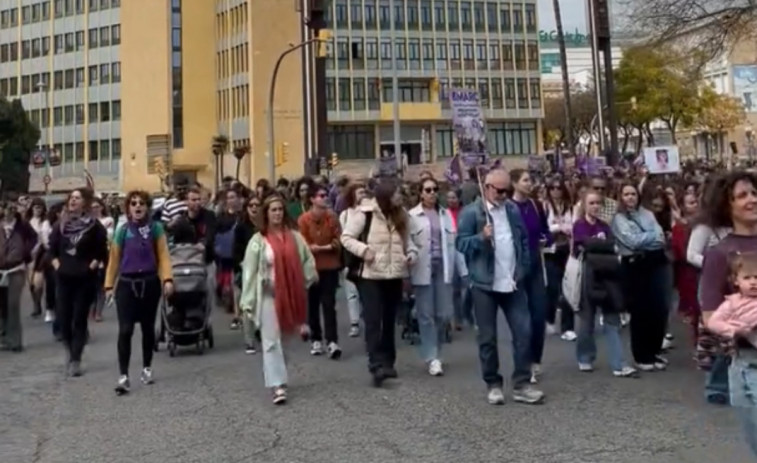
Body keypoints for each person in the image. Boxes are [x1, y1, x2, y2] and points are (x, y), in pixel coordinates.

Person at [456, 169, 544, 405]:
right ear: (486, 187)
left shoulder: (512, 210)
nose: (504, 195)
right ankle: (493, 383)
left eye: (507, 190)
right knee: (487, 337)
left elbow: (523, 240)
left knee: (524, 332)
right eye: (499, 190)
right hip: (484, 284)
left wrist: (522, 268)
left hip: (512, 281)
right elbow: (460, 244)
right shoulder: (471, 213)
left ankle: (522, 383)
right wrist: (479, 238)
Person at [240, 195, 317, 404]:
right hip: (268, 295)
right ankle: (277, 385)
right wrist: (248, 300)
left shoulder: (295, 237)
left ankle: (279, 373)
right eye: (273, 210)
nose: (277, 213)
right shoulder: (258, 241)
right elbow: (249, 270)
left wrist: (306, 281)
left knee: (286, 340)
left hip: (291, 294)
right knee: (271, 341)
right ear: (266, 214)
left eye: (280, 210)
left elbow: (307, 260)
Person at [341, 180, 419, 387]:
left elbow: (407, 241)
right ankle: (376, 364)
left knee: (389, 319)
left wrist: (411, 253)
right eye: (396, 194)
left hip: (394, 274)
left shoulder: (401, 215)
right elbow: (347, 237)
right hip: (371, 275)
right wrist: (364, 250)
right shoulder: (365, 214)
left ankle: (388, 361)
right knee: (374, 319)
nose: (400, 198)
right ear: (385, 196)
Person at [105, 190, 174, 395]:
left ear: (147, 207)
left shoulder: (156, 228)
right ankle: (124, 375)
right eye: (133, 203)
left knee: (147, 328)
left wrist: (167, 279)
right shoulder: (122, 230)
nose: (137, 207)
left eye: (141, 203)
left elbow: (163, 255)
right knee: (125, 329)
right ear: (128, 208)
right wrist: (109, 285)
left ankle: (146, 367)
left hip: (150, 282)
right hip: (126, 284)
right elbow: (114, 259)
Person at [700, 171, 757, 404]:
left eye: (754, 193)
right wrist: (745, 324)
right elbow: (710, 316)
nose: (752, 199)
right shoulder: (719, 254)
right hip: (750, 363)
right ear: (727, 206)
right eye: (742, 195)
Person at [573, 192, 637, 378]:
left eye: (598, 203)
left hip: (608, 276)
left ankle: (619, 363)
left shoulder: (604, 226)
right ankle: (585, 357)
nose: (595, 206)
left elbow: (609, 244)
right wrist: (601, 245)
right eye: (591, 203)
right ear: (584, 205)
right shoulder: (580, 225)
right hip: (588, 275)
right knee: (587, 320)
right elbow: (583, 244)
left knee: (612, 320)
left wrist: (597, 245)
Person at [49, 188, 109, 377]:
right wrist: (57, 265)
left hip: (84, 279)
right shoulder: (61, 225)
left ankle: (76, 359)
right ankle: (69, 349)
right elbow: (52, 250)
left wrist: (91, 266)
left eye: (77, 198)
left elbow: (102, 251)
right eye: (72, 198)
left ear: (84, 203)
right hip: (64, 278)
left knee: (79, 318)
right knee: (64, 319)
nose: (73, 201)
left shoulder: (94, 226)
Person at [611, 182, 668, 372]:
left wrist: (648, 237)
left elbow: (661, 237)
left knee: (659, 308)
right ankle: (642, 355)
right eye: (626, 194)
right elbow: (631, 242)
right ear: (620, 196)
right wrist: (650, 236)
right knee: (641, 310)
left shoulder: (648, 214)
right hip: (635, 265)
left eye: (633, 194)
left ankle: (654, 351)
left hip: (656, 261)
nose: (630, 197)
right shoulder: (619, 218)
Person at [707, 252, 757, 457]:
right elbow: (713, 322)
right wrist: (735, 329)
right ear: (735, 281)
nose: (754, 282)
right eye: (747, 277)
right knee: (748, 419)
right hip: (739, 362)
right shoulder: (732, 303)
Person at [408, 177, 458, 376]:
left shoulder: (445, 214)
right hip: (422, 268)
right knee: (425, 314)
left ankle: (438, 350)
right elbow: (408, 242)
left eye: (435, 189)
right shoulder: (412, 216)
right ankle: (432, 356)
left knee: (443, 313)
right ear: (420, 193)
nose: (432, 193)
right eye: (427, 190)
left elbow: (454, 242)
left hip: (443, 267)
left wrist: (460, 271)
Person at [509, 169, 552, 383]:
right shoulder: (508, 208)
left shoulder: (537, 206)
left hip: (536, 264)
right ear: (515, 184)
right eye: (525, 180)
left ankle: (536, 359)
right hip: (516, 266)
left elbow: (546, 231)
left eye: (530, 180)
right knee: (521, 319)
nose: (529, 184)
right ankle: (524, 364)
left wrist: (546, 239)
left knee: (538, 315)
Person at [298, 184, 344, 359]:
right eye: (321, 195)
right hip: (311, 268)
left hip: (330, 266)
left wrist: (323, 247)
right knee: (313, 304)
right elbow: (303, 243)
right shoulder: (304, 220)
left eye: (326, 195)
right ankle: (316, 339)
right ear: (312, 199)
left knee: (329, 304)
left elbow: (339, 240)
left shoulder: (332, 218)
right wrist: (312, 248)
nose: (325, 197)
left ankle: (332, 341)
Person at [0, 199, 38, 352]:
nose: (8, 211)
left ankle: (15, 341)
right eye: (4, 207)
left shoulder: (22, 225)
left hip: (16, 269)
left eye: (10, 208)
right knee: (1, 305)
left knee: (13, 304)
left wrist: (25, 252)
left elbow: (34, 239)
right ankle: (4, 336)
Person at [543, 178, 576, 341]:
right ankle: (548, 317)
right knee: (553, 288)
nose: (556, 191)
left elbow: (575, 224)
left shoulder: (569, 206)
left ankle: (568, 327)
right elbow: (544, 228)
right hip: (551, 250)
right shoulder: (545, 206)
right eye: (552, 188)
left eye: (559, 187)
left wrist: (569, 229)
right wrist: (558, 228)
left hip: (567, 250)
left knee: (568, 288)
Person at [233, 193, 261, 354]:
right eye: (251, 206)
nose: (254, 208)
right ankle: (249, 341)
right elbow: (236, 250)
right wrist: (242, 264)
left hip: (264, 270)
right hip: (247, 270)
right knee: (248, 305)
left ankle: (261, 331)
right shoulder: (241, 227)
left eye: (257, 205)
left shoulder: (266, 225)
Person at [339, 182, 367, 338]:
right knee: (351, 292)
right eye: (359, 192)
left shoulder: (370, 212)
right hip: (351, 257)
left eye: (364, 192)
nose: (362, 195)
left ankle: (367, 317)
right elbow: (345, 239)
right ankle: (354, 322)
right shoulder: (345, 215)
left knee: (366, 291)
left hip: (367, 256)